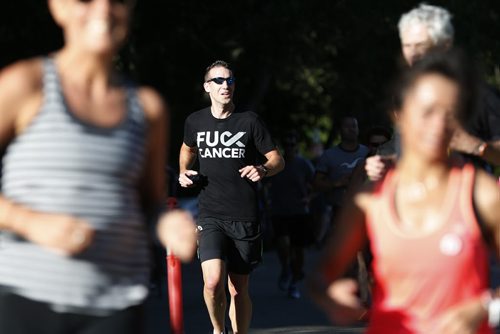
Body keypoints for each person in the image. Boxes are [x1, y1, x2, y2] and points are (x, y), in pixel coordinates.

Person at [0, 1, 198, 333]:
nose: (104, 9)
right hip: (26, 300)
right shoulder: (25, 84)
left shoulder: (148, 109)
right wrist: (31, 222)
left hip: (116, 307)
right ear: (58, 8)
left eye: (117, 0)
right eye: (86, 1)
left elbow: (149, 204)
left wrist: (168, 224)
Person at [308, 50, 500, 333]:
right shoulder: (371, 197)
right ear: (399, 115)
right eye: (427, 111)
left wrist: (487, 307)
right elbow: (321, 276)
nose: (439, 125)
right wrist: (332, 296)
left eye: (451, 113)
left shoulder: (480, 194)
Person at [178, 60, 284, 334]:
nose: (226, 86)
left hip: (244, 215)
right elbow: (187, 149)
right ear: (207, 87)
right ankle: (217, 329)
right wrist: (183, 171)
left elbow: (277, 160)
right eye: (219, 81)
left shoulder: (249, 121)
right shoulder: (196, 121)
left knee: (238, 289)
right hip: (210, 214)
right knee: (212, 282)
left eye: (230, 81)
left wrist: (262, 168)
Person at [366, 3, 500, 181]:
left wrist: (476, 146)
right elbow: (412, 156)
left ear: (445, 45)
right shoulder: (406, 96)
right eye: (407, 45)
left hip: (464, 202)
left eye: (421, 45)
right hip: (414, 200)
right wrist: (387, 164)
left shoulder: (479, 94)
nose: (413, 54)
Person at [266, 131, 315, 299]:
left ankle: (294, 280)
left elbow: (315, 184)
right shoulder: (275, 164)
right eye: (286, 145)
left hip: (300, 212)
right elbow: (263, 184)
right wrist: (266, 203)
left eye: (292, 145)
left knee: (299, 249)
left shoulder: (304, 165)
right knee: (283, 244)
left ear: (297, 147)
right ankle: (286, 268)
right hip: (279, 211)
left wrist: (309, 198)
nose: (289, 148)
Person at [313, 115, 369, 245]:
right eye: (347, 126)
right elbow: (316, 183)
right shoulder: (329, 155)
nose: (351, 129)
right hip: (338, 212)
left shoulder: (367, 153)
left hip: (364, 210)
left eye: (354, 126)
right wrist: (336, 183)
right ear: (340, 131)